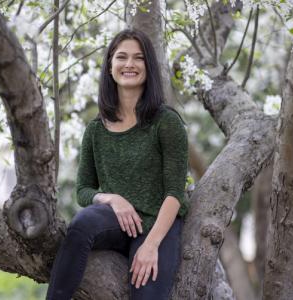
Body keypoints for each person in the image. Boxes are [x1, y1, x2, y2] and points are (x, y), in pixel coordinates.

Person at [46, 28, 189, 300]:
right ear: (110, 66)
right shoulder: (96, 130)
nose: (129, 64)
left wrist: (151, 245)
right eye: (121, 57)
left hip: (159, 223)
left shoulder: (166, 122)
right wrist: (112, 198)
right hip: (117, 222)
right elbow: (83, 190)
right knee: (81, 225)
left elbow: (174, 194)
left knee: (147, 292)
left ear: (148, 66)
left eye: (138, 58)